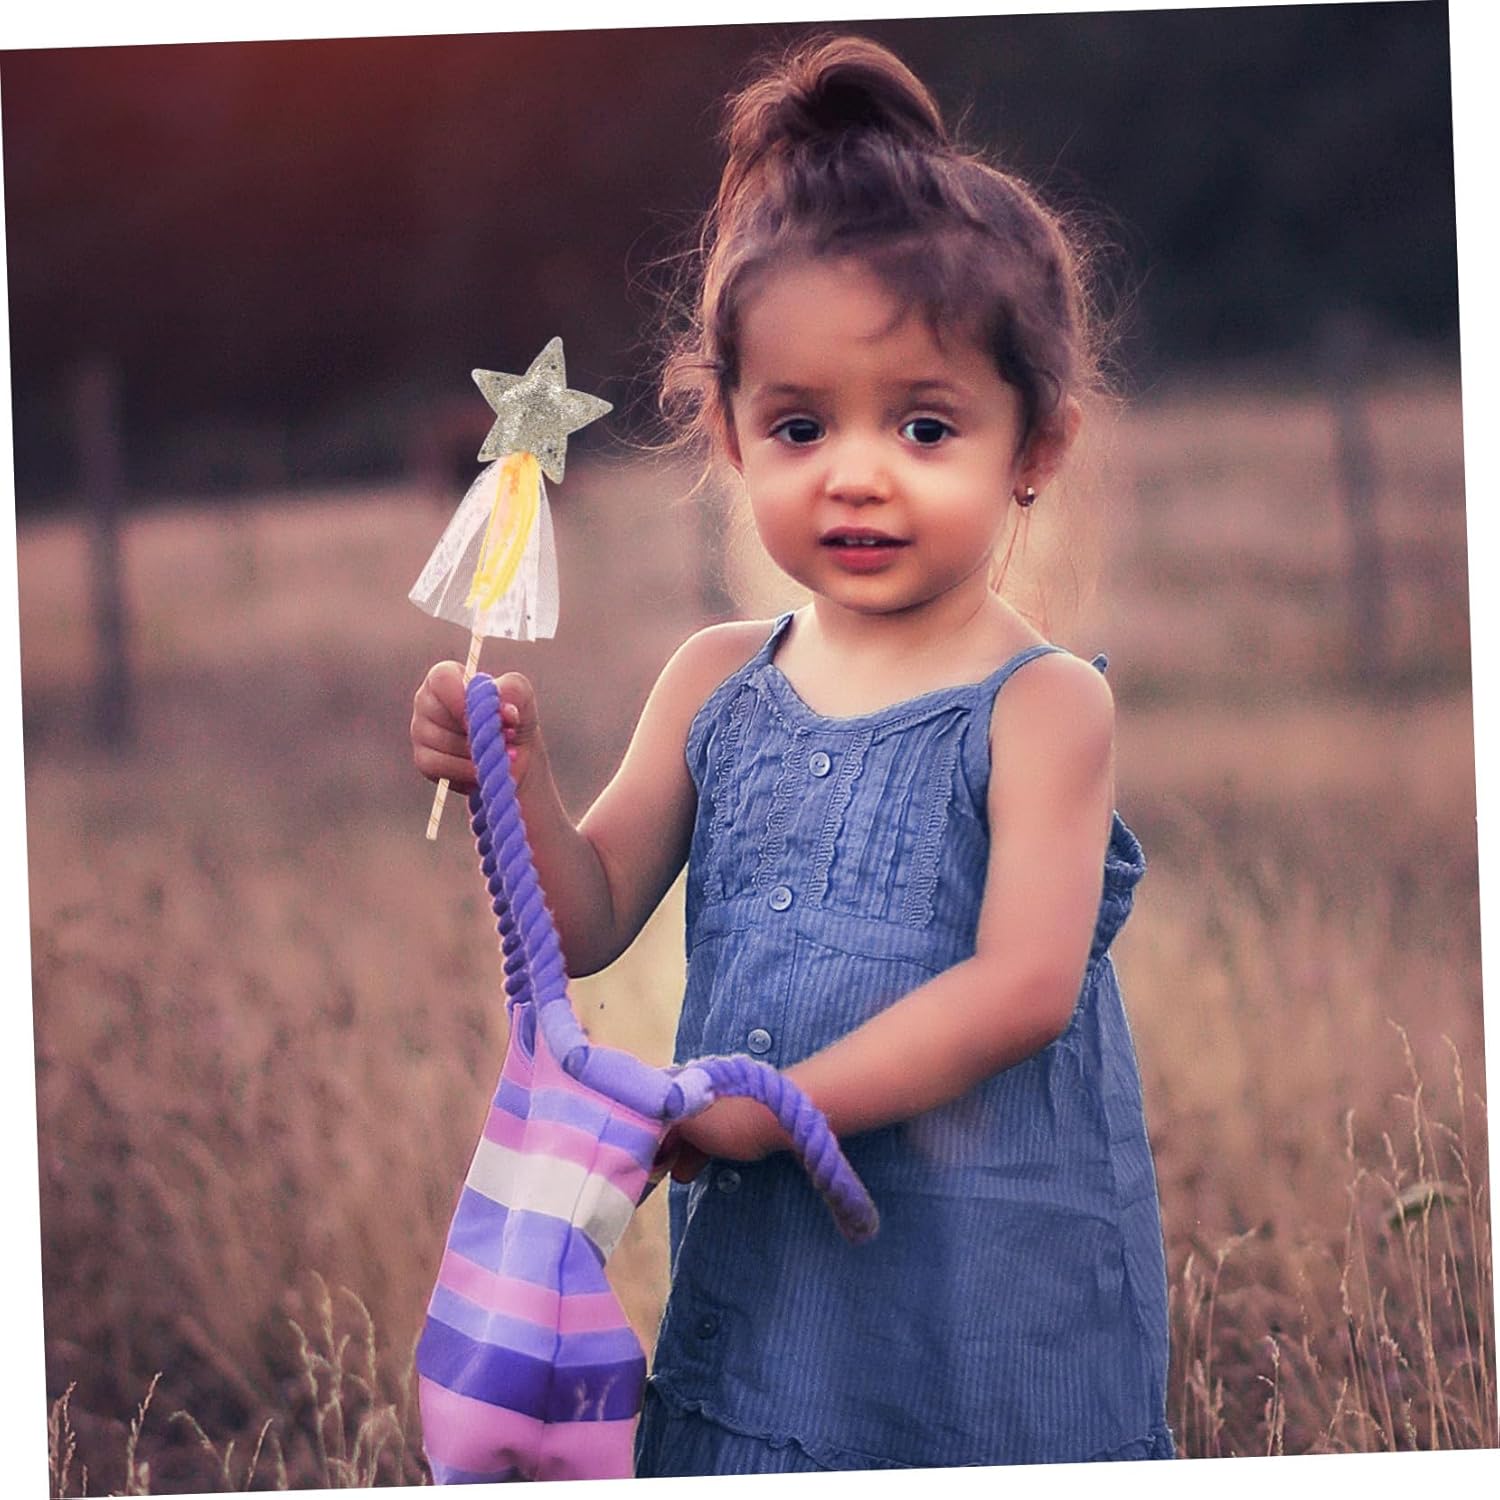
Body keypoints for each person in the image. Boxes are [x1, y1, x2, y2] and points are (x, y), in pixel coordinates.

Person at [410, 33, 1173, 1474]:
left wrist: (776, 1115)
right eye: (801, 424)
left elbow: (1021, 989)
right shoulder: (715, 683)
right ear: (731, 437)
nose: (856, 472)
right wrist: (510, 778)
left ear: (1036, 446)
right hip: (773, 1291)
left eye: (926, 425)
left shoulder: (1042, 707)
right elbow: (584, 918)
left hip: (992, 1290)